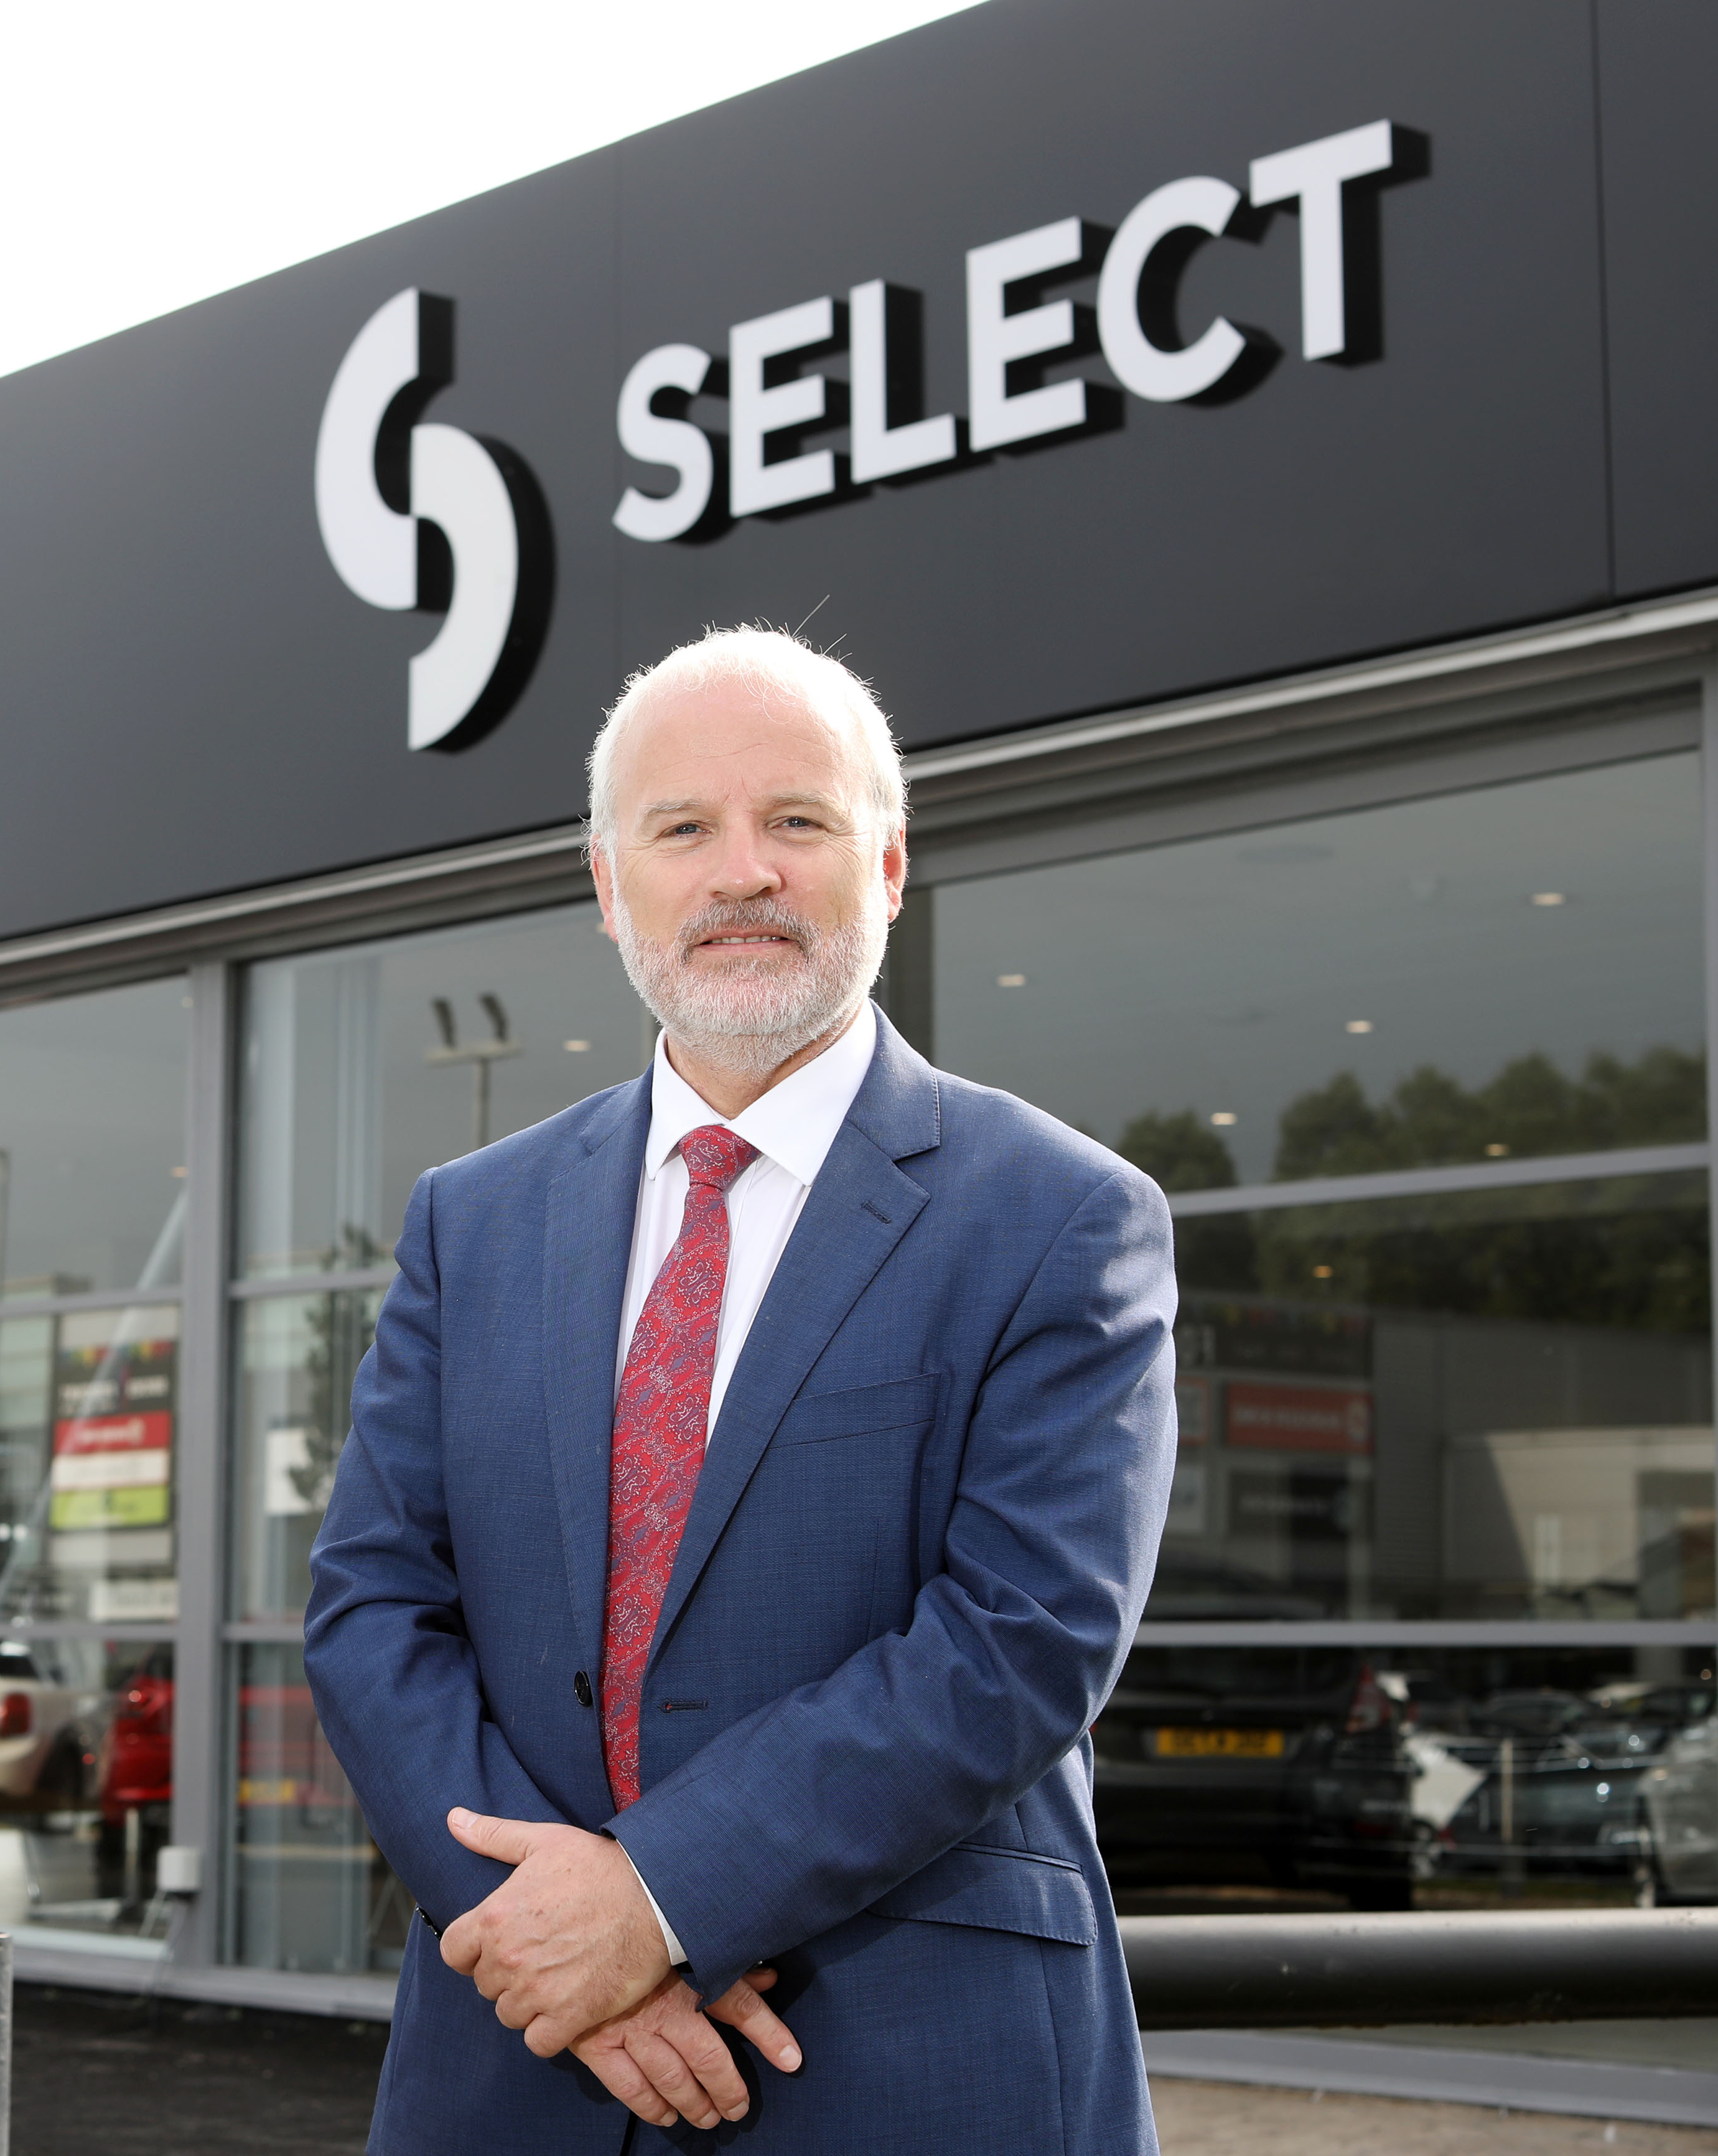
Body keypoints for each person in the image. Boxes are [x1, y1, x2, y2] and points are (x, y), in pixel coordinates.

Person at [304, 627, 1176, 2153]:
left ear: (888, 863)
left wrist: (653, 1900)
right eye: (683, 827)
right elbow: (375, 1606)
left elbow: (1022, 1636)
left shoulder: (1059, 1212)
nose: (740, 873)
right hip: (520, 2057)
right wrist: (562, 1937)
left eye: (797, 820)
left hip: (906, 2060)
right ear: (607, 880)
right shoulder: (474, 1215)